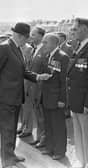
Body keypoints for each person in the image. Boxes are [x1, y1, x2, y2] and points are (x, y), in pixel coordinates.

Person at [0, 22, 52, 168]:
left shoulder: (16, 48)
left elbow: (23, 72)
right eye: (26, 38)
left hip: (15, 97)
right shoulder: (4, 48)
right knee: (7, 129)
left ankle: (11, 155)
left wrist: (38, 77)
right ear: (19, 36)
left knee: (11, 129)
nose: (27, 40)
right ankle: (7, 160)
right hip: (6, 97)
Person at [39, 33, 69, 160]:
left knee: (58, 126)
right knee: (49, 124)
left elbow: (63, 80)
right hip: (47, 96)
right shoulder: (48, 55)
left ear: (54, 43)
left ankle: (60, 151)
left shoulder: (62, 57)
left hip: (56, 98)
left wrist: (62, 99)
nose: (43, 44)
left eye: (45, 42)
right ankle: (50, 148)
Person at [68, 18, 88, 168]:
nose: (72, 32)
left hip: (84, 102)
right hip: (76, 100)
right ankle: (82, 161)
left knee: (86, 135)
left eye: (75, 29)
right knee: (79, 134)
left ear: (84, 29)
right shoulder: (80, 47)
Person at [28, 27, 46, 148]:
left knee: (42, 115)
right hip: (33, 87)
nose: (31, 37)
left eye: (33, 35)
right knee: (37, 114)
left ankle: (44, 138)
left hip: (40, 88)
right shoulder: (35, 49)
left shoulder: (44, 50)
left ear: (41, 36)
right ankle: (39, 136)